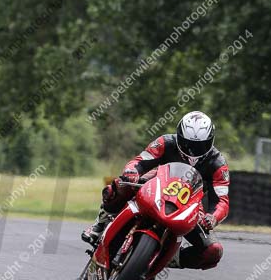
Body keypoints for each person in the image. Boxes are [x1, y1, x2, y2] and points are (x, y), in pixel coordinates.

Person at [81, 111, 230, 270]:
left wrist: (212, 217)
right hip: (156, 185)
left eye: (200, 146)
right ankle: (100, 223)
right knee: (120, 185)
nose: (192, 151)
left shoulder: (218, 164)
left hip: (189, 204)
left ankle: (172, 259)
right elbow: (140, 161)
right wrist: (132, 172)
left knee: (213, 251)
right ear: (179, 136)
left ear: (211, 140)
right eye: (187, 144)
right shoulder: (165, 142)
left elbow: (222, 201)